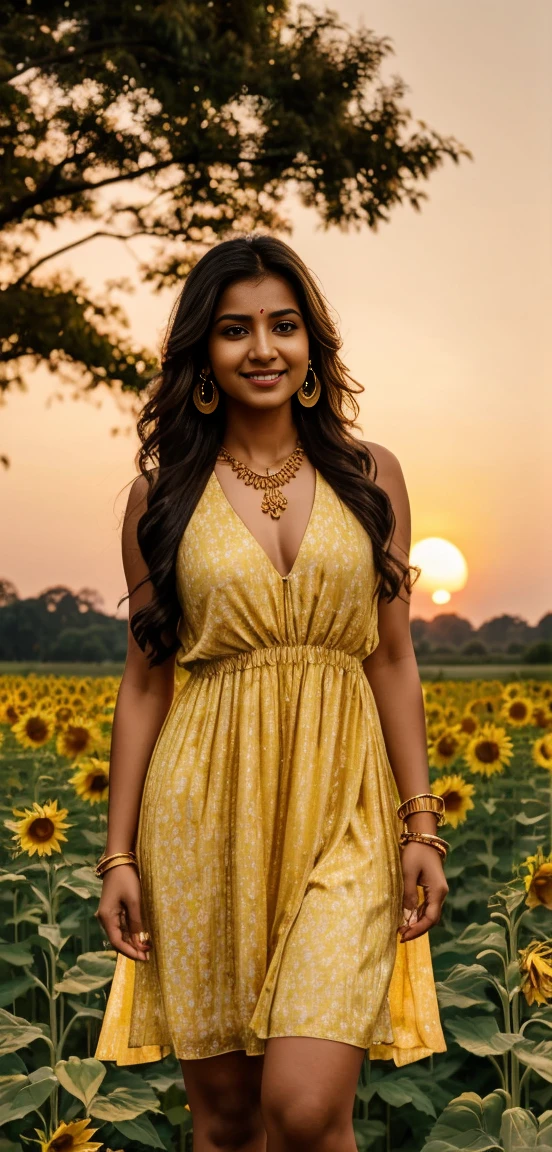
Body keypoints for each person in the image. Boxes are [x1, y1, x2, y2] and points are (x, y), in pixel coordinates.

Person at [94, 234, 448, 1152]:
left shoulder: (373, 477)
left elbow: (393, 659)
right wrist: (118, 856)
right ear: (202, 357)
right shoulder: (159, 498)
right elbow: (144, 683)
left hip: (347, 808)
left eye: (284, 326)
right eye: (235, 330)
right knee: (228, 1119)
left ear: (312, 346)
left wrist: (422, 823)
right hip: (202, 807)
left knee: (304, 1108)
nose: (263, 349)